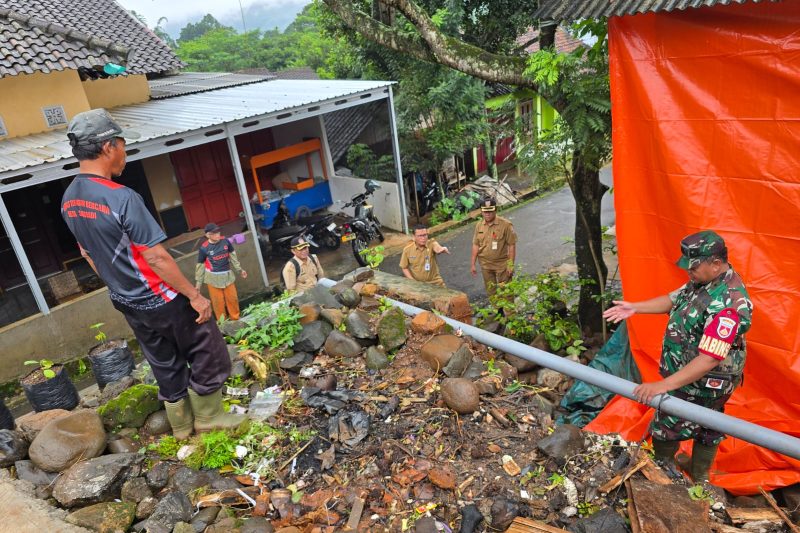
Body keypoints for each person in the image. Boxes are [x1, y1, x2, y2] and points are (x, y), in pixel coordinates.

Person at [60, 108, 244, 440]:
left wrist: (119, 284)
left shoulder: (69, 199)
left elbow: (88, 255)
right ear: (108, 147)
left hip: (125, 300)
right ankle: (210, 418)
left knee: (163, 359)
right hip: (162, 296)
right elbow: (157, 258)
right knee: (206, 346)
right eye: (122, 145)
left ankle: (181, 427)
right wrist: (195, 295)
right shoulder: (122, 197)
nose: (124, 154)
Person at [603, 230, 753, 483]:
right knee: (707, 423)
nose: (688, 272)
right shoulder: (703, 281)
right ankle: (689, 472)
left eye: (693, 267)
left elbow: (709, 358)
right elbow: (673, 300)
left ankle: (678, 473)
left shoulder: (729, 303)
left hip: (706, 381)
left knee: (676, 424)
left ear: (716, 263)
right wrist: (635, 307)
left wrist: (662, 385)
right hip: (687, 375)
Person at [195, 223, 247, 321]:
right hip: (213, 279)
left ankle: (235, 319)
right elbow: (200, 267)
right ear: (207, 235)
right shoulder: (204, 248)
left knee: (232, 299)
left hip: (227, 276)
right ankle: (223, 323)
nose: (217, 235)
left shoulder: (225, 241)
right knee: (218, 303)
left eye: (218, 232)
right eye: (214, 233)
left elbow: (233, 257)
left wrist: (240, 270)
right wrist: (198, 284)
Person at [470, 198, 517, 298]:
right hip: (485, 264)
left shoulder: (506, 225)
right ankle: (497, 310)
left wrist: (510, 265)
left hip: (502, 264)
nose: (487, 213)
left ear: (495, 210)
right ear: (482, 212)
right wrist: (473, 264)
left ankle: (510, 313)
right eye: (485, 211)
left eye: (490, 211)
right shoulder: (479, 225)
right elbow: (476, 244)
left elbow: (511, 245)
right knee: (490, 290)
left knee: (506, 290)